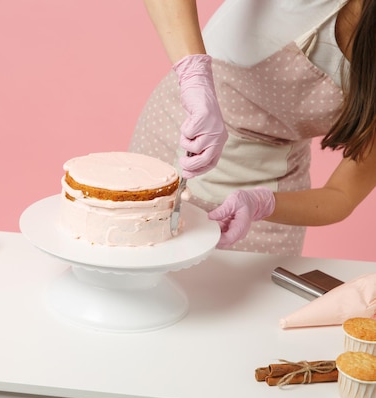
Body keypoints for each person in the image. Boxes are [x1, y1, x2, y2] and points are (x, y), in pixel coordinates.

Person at [130, 0, 376, 255]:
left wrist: (263, 204)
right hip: (174, 137)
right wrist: (194, 77)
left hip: (269, 198)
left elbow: (342, 195)